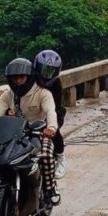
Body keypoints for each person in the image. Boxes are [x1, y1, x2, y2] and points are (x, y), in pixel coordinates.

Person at [0, 57, 59, 203]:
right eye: (14, 78)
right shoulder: (8, 94)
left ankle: (50, 189)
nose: (18, 81)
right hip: (15, 135)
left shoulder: (43, 93)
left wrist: (51, 127)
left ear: (29, 77)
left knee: (46, 155)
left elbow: (50, 111)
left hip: (37, 134)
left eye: (21, 77)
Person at [33, 49, 66, 177]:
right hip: (33, 110)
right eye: (44, 70)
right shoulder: (30, 79)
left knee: (54, 131)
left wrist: (51, 124)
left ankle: (60, 157)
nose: (46, 75)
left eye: (50, 71)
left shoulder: (56, 84)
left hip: (52, 111)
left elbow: (56, 106)